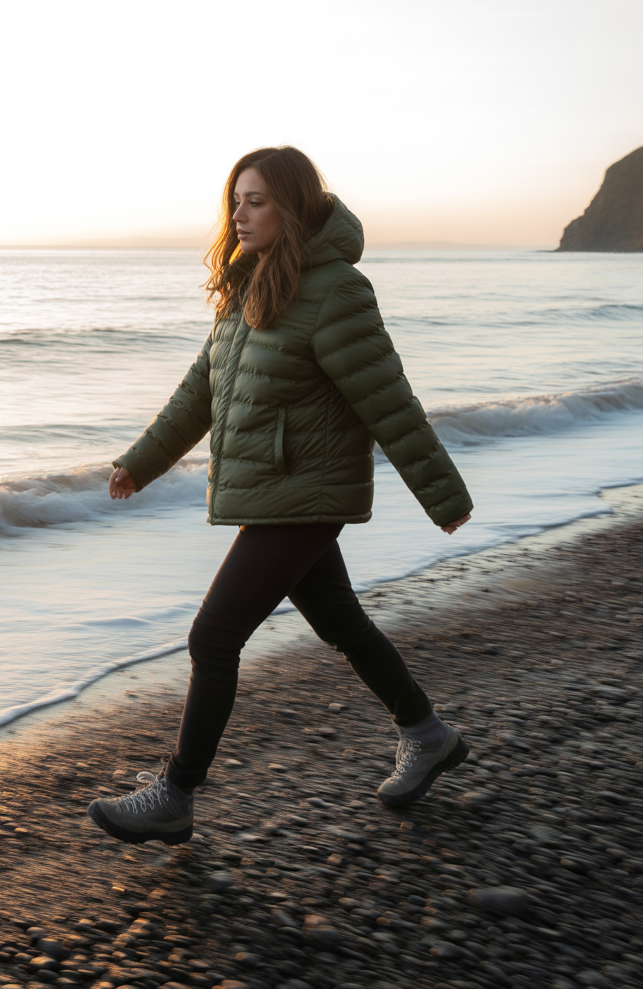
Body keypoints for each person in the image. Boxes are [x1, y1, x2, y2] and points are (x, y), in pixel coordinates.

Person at [87, 146, 473, 846]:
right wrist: (140, 463)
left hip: (307, 495)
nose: (239, 213)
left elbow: (389, 400)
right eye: (235, 200)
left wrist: (442, 495)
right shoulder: (248, 288)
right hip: (274, 494)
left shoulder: (336, 292)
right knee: (341, 622)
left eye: (256, 200)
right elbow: (199, 391)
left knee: (213, 635)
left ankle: (176, 795)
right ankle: (428, 734)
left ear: (292, 208)